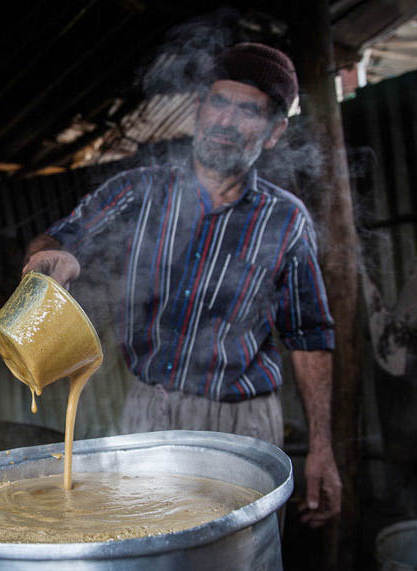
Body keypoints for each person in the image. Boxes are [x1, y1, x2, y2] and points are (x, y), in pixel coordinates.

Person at [23, 43, 341, 527]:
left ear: (276, 131)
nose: (228, 122)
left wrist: (322, 447)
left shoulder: (286, 220)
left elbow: (310, 337)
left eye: (250, 110)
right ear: (199, 109)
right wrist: (48, 255)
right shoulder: (137, 191)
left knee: (239, 557)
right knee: (146, 550)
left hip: (243, 425)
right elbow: (62, 238)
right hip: (150, 414)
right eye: (219, 101)